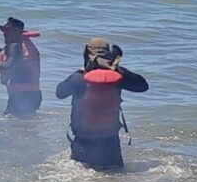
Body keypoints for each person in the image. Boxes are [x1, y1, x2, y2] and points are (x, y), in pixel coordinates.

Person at [56, 38, 148, 168]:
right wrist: (118, 71)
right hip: (110, 141)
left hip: (83, 141)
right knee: (114, 180)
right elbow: (142, 86)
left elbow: (59, 93)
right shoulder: (118, 76)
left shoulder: (78, 78)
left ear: (86, 54)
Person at [0, 17, 42, 116]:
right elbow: (13, 62)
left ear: (16, 31)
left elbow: (9, 66)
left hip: (24, 96)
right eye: (4, 30)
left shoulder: (16, 46)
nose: (4, 33)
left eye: (7, 30)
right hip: (27, 95)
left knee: (16, 123)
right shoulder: (20, 44)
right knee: (21, 124)